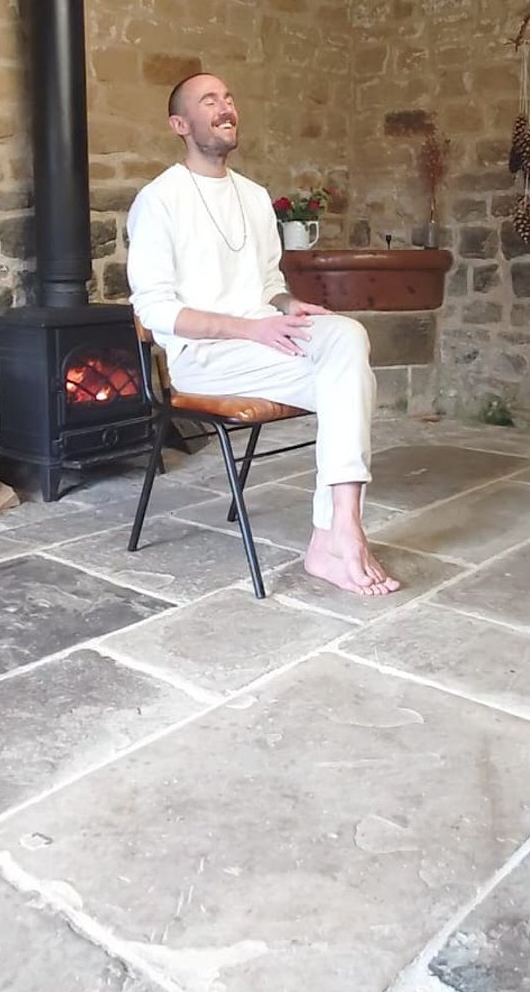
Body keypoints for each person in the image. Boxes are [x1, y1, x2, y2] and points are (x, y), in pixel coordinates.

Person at [126, 73, 399, 598]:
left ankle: (337, 532)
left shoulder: (253, 196)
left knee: (345, 337)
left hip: (264, 341)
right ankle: (336, 535)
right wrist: (252, 328)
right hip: (204, 359)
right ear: (180, 125)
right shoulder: (159, 200)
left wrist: (290, 307)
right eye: (209, 101)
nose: (225, 107)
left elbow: (269, 286)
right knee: (351, 384)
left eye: (228, 97)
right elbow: (156, 311)